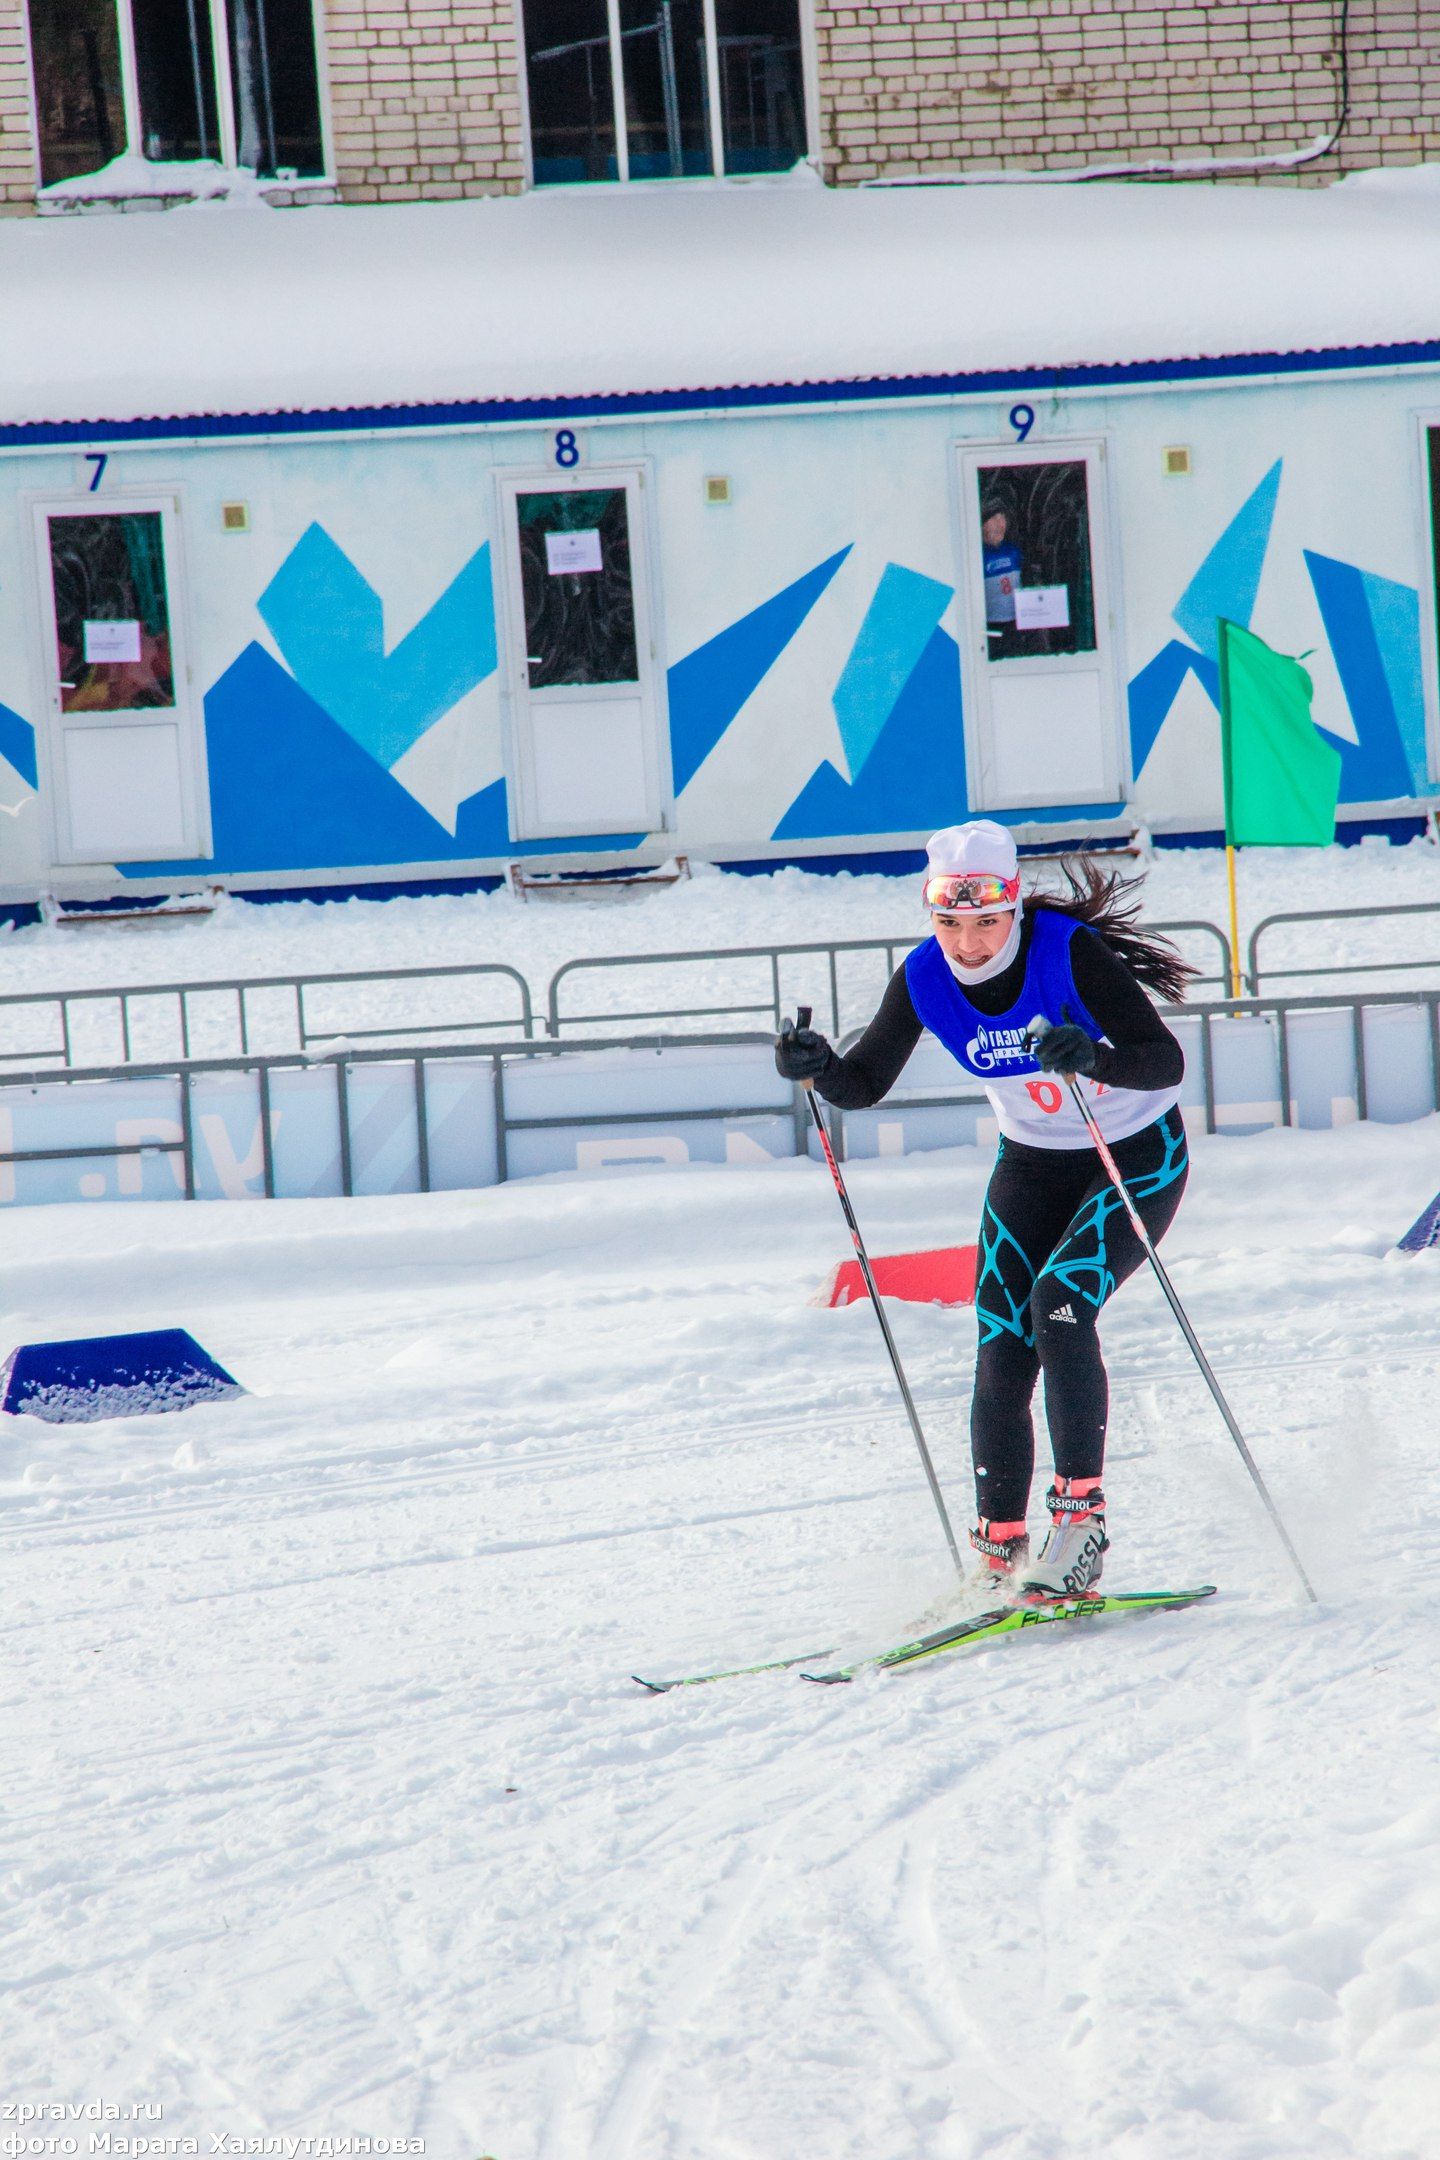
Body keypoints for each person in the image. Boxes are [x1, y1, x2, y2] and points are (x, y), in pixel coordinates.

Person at [774, 819, 1194, 1602]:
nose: (967, 944)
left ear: (1013, 911)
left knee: (1059, 1304)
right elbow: (863, 1084)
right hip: (1033, 1163)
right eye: (949, 923)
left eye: (985, 923)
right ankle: (999, 1548)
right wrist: (818, 1067)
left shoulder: (1066, 951)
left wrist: (1094, 1058)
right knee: (1002, 1333)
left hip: (1131, 1154)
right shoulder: (926, 977)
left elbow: (1164, 1060)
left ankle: (1080, 1527)